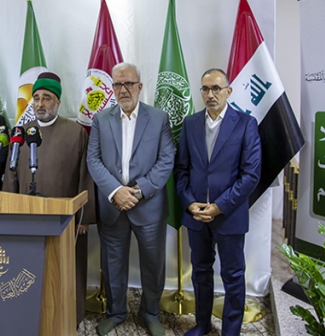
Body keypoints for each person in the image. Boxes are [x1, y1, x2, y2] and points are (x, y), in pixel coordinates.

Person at [87, 62, 174, 336]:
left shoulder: (159, 118)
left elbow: (166, 160)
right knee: (112, 264)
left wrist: (136, 191)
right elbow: (93, 160)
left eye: (128, 84)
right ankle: (115, 313)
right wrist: (116, 191)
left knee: (153, 264)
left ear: (139, 86)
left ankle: (151, 314)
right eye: (117, 84)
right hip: (112, 206)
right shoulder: (101, 119)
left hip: (148, 206)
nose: (123, 90)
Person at [3, 71, 95, 327]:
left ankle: (70, 316)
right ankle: (28, 316)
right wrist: (7, 209)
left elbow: (85, 175)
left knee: (67, 269)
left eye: (46, 98)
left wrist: (84, 218)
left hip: (65, 219)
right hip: (25, 217)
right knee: (26, 269)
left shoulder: (76, 132)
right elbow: (10, 173)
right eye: (36, 98)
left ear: (58, 102)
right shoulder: (20, 133)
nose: (40, 103)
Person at [174, 68, 261, 336]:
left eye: (216, 88)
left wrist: (219, 206)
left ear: (228, 91)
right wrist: (190, 203)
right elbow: (181, 170)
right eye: (205, 89)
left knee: (233, 276)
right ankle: (202, 324)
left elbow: (251, 174)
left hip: (229, 215)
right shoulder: (190, 123)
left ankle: (230, 331)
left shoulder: (245, 124)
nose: (210, 94)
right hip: (197, 216)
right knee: (200, 272)